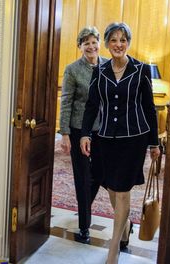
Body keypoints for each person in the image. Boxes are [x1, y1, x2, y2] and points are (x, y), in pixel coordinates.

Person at [80, 22, 160, 264]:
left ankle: (113, 250)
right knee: (112, 189)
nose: (118, 44)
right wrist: (85, 134)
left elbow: (149, 107)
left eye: (122, 40)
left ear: (128, 43)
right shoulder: (100, 71)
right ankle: (125, 227)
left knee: (123, 191)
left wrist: (154, 143)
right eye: (113, 40)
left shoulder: (141, 69)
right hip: (105, 139)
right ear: (106, 44)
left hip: (133, 139)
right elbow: (92, 105)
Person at [59, 26, 108, 244]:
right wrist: (65, 134)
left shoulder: (109, 65)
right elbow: (66, 101)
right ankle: (84, 226)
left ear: (99, 43)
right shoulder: (72, 70)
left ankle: (84, 207)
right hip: (80, 130)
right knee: (82, 175)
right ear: (80, 46)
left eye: (93, 41)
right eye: (85, 42)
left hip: (104, 130)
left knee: (99, 173)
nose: (91, 46)